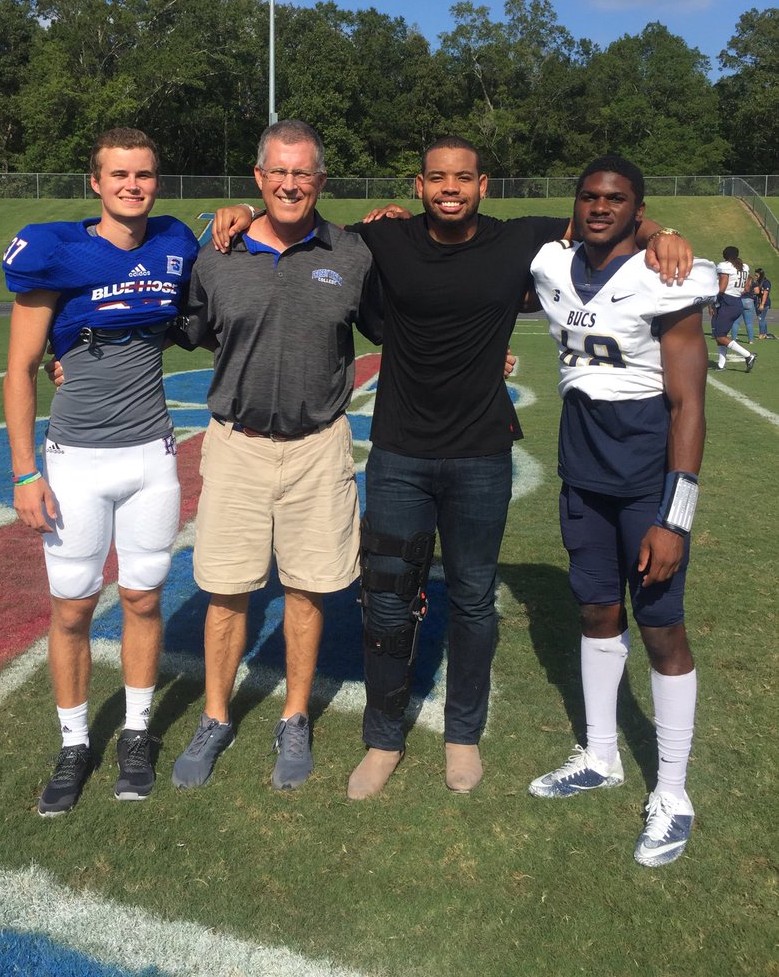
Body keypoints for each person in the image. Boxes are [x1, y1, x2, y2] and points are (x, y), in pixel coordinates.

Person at [214, 136, 692, 800]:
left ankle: (463, 735)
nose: (450, 188)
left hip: (481, 455)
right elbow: (299, 220)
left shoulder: (519, 239)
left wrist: (661, 231)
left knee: (472, 601)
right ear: (419, 185)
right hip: (399, 454)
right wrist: (242, 209)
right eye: (437, 178)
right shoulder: (386, 239)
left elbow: (604, 214)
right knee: (386, 602)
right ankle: (383, 740)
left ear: (482, 185)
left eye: (462, 178)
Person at [170, 119, 383, 792]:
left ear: (321, 180)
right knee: (226, 590)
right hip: (238, 446)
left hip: (318, 446)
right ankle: (215, 716)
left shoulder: (353, 253)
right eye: (278, 172)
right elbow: (172, 323)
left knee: (307, 588)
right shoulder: (218, 253)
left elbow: (405, 318)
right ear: (259, 178)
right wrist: (67, 350)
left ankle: (294, 716)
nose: (290, 184)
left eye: (303, 173)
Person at [527, 156, 717, 867]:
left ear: (638, 208)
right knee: (596, 613)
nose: (600, 207)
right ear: (574, 203)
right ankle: (601, 756)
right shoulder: (550, 263)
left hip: (646, 486)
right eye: (589, 196)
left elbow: (689, 405)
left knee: (663, 629)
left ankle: (673, 792)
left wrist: (675, 517)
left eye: (616, 198)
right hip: (583, 477)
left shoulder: (667, 277)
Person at [3, 128, 198, 815]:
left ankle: (137, 733)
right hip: (77, 462)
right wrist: (24, 473)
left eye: (143, 174)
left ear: (157, 182)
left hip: (151, 457)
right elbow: (21, 368)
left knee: (143, 598)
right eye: (119, 175)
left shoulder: (174, 242)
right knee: (74, 607)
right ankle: (74, 741)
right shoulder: (57, 252)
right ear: (96, 182)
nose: (132, 186)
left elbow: (216, 243)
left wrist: (235, 213)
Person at [711, 246, 756, 371]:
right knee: (721, 335)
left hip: (727, 301)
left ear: (725, 255)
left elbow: (722, 287)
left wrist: (713, 300)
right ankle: (721, 365)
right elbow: (747, 286)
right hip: (736, 301)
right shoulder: (743, 267)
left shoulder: (725, 266)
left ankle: (748, 355)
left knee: (719, 336)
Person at [752, 267, 772, 338]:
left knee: (761, 318)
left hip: (764, 303)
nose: (756, 277)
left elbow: (765, 294)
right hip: (757, 302)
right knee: (761, 318)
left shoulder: (766, 282)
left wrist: (762, 304)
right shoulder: (757, 282)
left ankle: (762, 333)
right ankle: (764, 333)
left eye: (757, 275)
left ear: (761, 275)